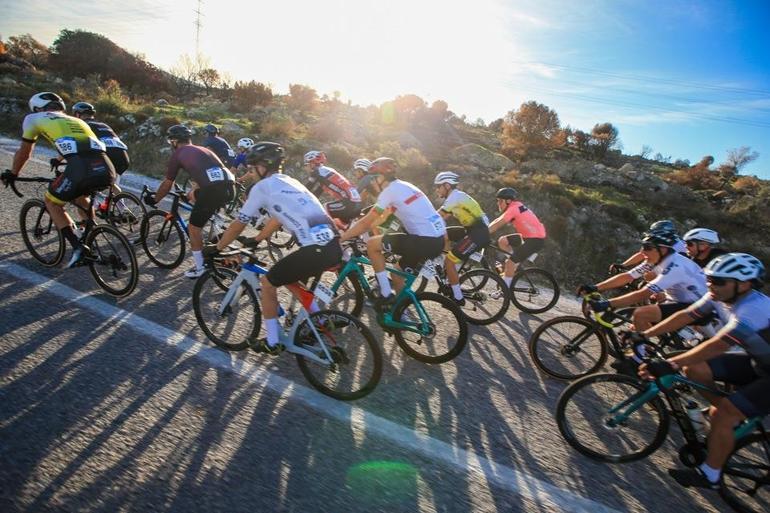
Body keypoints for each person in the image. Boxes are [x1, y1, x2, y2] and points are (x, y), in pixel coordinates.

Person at [636, 253, 770, 489]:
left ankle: (710, 475)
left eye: (718, 281)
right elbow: (685, 316)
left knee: (725, 413)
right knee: (694, 367)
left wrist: (671, 364)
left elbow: (717, 345)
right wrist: (644, 335)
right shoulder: (719, 296)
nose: (710, 285)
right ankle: (725, 418)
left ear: (745, 284)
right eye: (709, 279)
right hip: (759, 362)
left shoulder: (755, 309)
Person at [204, 142, 343, 354]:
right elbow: (278, 217)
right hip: (333, 245)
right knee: (289, 278)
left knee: (267, 282)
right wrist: (258, 238)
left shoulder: (263, 187)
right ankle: (320, 319)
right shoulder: (289, 181)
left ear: (263, 166)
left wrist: (217, 247)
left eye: (252, 168)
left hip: (315, 249)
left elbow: (239, 223)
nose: (250, 173)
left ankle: (272, 341)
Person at [1, 92, 115, 267]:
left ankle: (78, 248)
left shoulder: (33, 118)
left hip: (80, 167)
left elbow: (25, 151)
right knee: (80, 197)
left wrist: (14, 172)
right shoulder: (78, 121)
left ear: (37, 108)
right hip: (106, 167)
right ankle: (86, 234)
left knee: (51, 202)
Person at [340, 157, 446, 303]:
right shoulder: (405, 186)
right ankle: (398, 312)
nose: (371, 183)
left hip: (424, 240)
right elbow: (383, 216)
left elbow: (366, 223)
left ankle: (385, 293)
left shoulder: (389, 192)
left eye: (373, 179)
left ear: (380, 177)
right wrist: (370, 224)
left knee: (372, 245)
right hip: (436, 240)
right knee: (397, 275)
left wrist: (342, 238)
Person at [145, 124, 235, 278]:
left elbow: (167, 184)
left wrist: (155, 199)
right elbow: (207, 172)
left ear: (174, 141)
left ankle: (200, 268)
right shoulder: (202, 149)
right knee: (196, 199)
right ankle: (218, 243)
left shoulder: (179, 153)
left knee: (194, 228)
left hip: (213, 190)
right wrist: (193, 192)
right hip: (229, 187)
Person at [579, 230, 708, 331]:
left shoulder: (676, 266)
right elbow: (627, 276)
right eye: (642, 246)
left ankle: (639, 359)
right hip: (679, 300)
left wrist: (607, 304)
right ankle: (648, 350)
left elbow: (642, 294)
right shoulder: (655, 260)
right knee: (639, 324)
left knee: (641, 315)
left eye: (647, 247)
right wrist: (595, 287)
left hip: (698, 305)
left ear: (662, 249)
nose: (642, 251)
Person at [433, 171, 490, 304]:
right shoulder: (454, 197)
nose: (436, 189)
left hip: (478, 233)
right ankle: (446, 270)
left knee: (450, 261)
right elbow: (443, 219)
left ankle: (458, 298)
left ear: (447, 185)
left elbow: (437, 216)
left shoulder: (455, 197)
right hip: (472, 230)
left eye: (438, 186)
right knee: (444, 233)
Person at [70, 101, 130, 212]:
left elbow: (75, 144)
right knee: (111, 183)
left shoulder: (82, 125)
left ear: (78, 114)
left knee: (89, 182)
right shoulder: (103, 125)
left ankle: (96, 207)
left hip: (107, 156)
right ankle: (123, 209)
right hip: (123, 157)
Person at [487, 187, 546, 288]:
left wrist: (483, 233)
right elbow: (498, 220)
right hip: (528, 237)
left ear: (508, 201)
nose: (498, 203)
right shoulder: (515, 206)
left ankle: (505, 289)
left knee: (510, 262)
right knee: (503, 241)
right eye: (498, 201)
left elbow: (498, 224)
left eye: (500, 201)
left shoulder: (513, 209)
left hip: (535, 240)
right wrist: (485, 230)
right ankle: (514, 267)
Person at [303, 150, 362, 226]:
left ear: (312, 163)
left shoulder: (317, 172)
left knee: (323, 209)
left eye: (306, 164)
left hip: (348, 203)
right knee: (339, 226)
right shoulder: (326, 171)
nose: (306, 167)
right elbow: (316, 193)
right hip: (355, 204)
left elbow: (307, 188)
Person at [610, 220, 687, 273]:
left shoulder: (678, 245)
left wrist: (624, 266)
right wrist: (624, 265)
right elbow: (642, 254)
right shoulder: (667, 241)